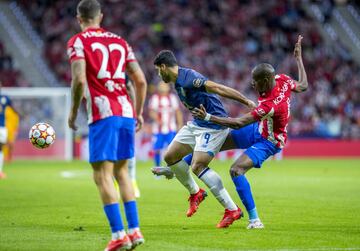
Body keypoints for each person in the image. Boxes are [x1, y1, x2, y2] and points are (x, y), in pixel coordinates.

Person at [190, 35, 308, 229]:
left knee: (236, 170)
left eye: (255, 81)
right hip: (257, 129)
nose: (253, 84)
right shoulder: (283, 80)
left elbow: (237, 123)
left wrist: (209, 117)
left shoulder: (269, 105)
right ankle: (176, 167)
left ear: (265, 80)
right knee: (214, 142)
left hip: (269, 141)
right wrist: (298, 58)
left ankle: (255, 220)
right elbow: (303, 86)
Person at [67, 1, 147, 250]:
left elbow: (79, 79)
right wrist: (138, 112)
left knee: (102, 175)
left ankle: (118, 235)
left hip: (103, 114)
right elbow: (141, 81)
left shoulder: (78, 41)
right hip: (125, 112)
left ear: (79, 18)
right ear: (100, 16)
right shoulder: (121, 42)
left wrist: (72, 113)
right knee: (122, 173)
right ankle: (134, 232)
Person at [153, 50, 256, 228]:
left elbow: (218, 88)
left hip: (214, 125)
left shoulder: (189, 77)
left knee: (198, 165)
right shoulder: (177, 81)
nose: (158, 74)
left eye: (158, 70)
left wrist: (246, 101)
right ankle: (196, 193)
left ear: (163, 67)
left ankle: (232, 209)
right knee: (170, 157)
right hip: (197, 123)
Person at [149, 81, 182, 169]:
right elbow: (151, 112)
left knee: (172, 149)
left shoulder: (172, 98)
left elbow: (177, 112)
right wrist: (158, 120)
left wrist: (180, 124)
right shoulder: (155, 98)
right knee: (157, 149)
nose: (163, 91)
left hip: (171, 129)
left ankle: (174, 168)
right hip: (158, 130)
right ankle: (157, 167)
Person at [0, 84, 17, 179]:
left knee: (1, 148)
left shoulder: (5, 98)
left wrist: (18, 113)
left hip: (1, 127)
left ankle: (0, 172)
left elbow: (13, 108)